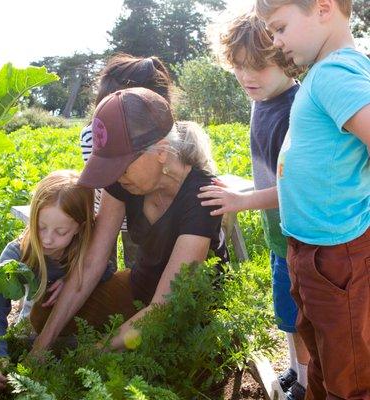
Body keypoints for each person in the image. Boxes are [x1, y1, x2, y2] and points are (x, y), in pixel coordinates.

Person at [29, 87, 228, 355]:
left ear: (160, 150)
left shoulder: (202, 196)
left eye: (121, 167)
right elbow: (92, 263)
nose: (116, 177)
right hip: (139, 288)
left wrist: (90, 356)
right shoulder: (124, 181)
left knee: (161, 350)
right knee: (44, 316)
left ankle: (117, 345)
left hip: (184, 306)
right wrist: (39, 349)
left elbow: (165, 305)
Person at [255, 0, 370, 398]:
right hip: (315, 251)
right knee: (325, 358)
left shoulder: (335, 74)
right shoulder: (325, 74)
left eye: (281, 28)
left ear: (323, 8)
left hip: (337, 255)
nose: (276, 42)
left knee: (349, 375)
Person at [197, 12, 309, 400]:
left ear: (286, 57)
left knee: (300, 315)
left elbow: (295, 188)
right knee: (287, 316)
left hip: (301, 236)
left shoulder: (294, 111)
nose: (248, 76)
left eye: (259, 65)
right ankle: (296, 371)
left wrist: (241, 201)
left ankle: (308, 383)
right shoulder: (262, 102)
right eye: (239, 66)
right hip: (279, 235)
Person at [0, 170, 115, 389]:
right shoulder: (18, 254)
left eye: (60, 232)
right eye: (41, 226)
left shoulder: (86, 251)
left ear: (79, 228)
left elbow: (107, 273)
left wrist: (71, 280)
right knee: (27, 337)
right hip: (35, 326)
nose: (47, 238)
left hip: (78, 327)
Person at [80, 54, 172, 268]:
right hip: (104, 214)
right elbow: (110, 184)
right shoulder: (92, 137)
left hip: (143, 215)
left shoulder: (167, 139)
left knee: (138, 267)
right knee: (102, 267)